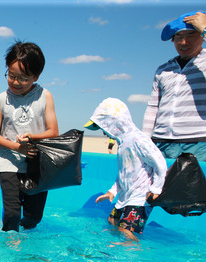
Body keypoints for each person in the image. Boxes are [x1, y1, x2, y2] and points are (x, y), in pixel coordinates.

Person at [0, 41, 59, 232]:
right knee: (12, 213)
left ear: (36, 76)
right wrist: (16, 147)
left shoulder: (45, 96)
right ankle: (10, 247)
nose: (16, 82)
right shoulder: (2, 99)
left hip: (36, 163)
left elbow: (53, 131)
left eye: (23, 78)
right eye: (11, 76)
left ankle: (26, 239)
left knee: (33, 216)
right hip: (8, 161)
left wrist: (33, 137)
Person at [87, 98, 168, 240]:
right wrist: (112, 191)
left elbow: (159, 162)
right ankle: (115, 250)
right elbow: (123, 174)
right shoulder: (122, 144)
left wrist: (156, 189)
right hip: (126, 196)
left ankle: (133, 250)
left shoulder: (138, 139)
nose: (103, 131)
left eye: (104, 126)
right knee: (112, 222)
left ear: (114, 122)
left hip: (141, 197)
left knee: (125, 230)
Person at [142, 11, 206, 162]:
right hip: (160, 142)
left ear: (202, 37)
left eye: (191, 35)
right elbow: (153, 107)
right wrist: (144, 140)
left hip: (197, 142)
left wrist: (204, 27)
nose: (184, 42)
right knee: (159, 186)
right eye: (179, 37)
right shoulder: (163, 69)